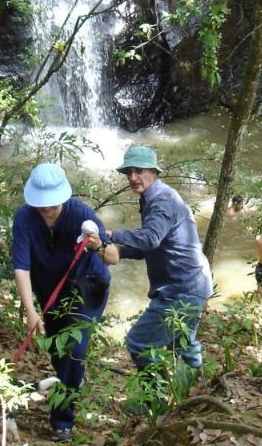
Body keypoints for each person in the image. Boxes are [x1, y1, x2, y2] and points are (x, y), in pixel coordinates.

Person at [89, 145, 213, 377]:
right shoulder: (152, 198)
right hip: (194, 284)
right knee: (183, 346)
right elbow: (151, 247)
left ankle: (153, 398)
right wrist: (117, 251)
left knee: (139, 343)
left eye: (139, 171)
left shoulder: (162, 200)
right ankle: (197, 393)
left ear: (154, 172)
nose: (133, 177)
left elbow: (151, 239)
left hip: (182, 289)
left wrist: (111, 234)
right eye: (128, 172)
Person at [11, 162, 111, 442]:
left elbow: (112, 256)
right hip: (49, 290)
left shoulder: (81, 214)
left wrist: (96, 245)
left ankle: (62, 421)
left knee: (74, 348)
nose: (47, 209)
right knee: (58, 353)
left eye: (52, 204)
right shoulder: (24, 219)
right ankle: (70, 380)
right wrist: (31, 311)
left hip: (87, 287)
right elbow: (21, 266)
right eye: (41, 204)